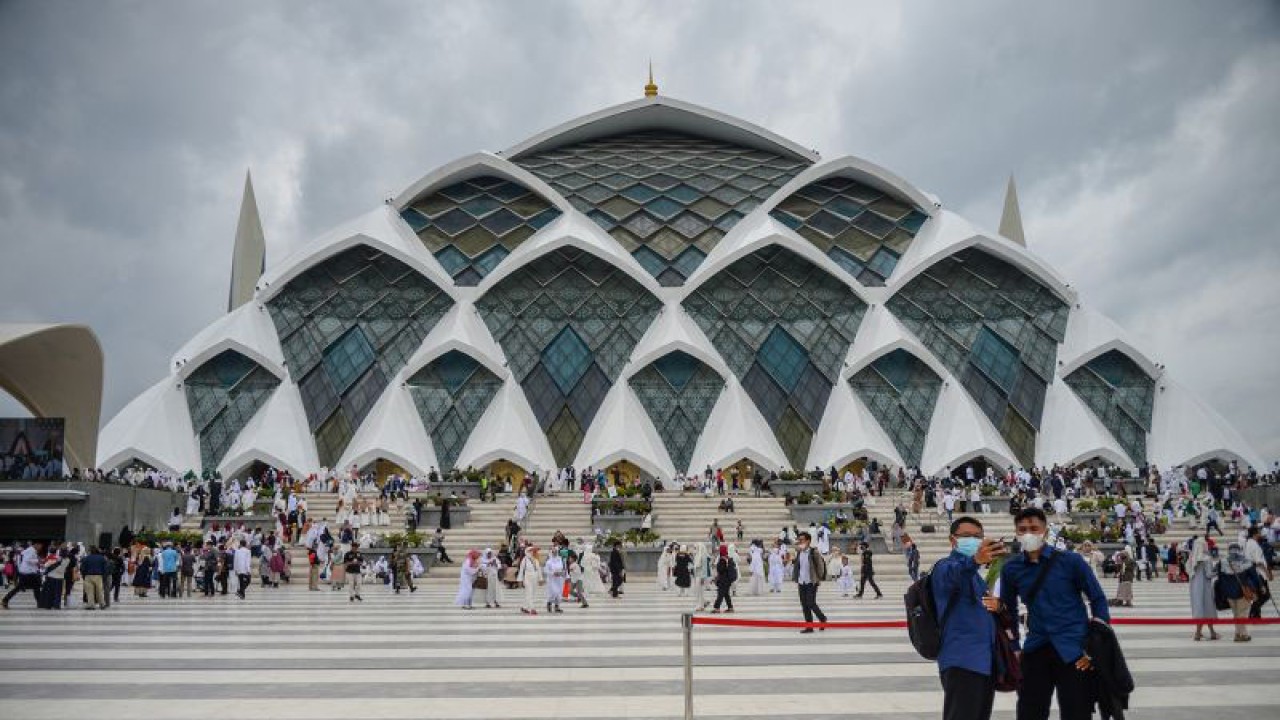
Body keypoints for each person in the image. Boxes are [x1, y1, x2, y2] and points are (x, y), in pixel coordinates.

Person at [1000, 508, 1110, 720]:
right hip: (1036, 647)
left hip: (1075, 650)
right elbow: (1008, 611)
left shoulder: (1071, 561)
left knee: (1077, 711)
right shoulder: (1011, 568)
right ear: (1016, 533)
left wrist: (1095, 643)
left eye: (1034, 528)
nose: (1028, 533)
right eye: (1022, 529)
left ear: (1045, 530)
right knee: (1029, 711)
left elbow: (1097, 598)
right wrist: (1013, 647)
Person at [933, 516, 1008, 720]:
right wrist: (975, 560)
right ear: (953, 540)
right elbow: (956, 574)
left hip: (984, 662)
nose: (973, 540)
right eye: (966, 536)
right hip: (962, 661)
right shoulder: (944, 567)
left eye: (978, 536)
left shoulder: (976, 576)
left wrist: (999, 606)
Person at [1218, 542, 1263, 642]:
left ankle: (1237, 634)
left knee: (1236, 614)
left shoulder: (1223, 562)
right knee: (1242, 614)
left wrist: (1224, 592)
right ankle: (1244, 634)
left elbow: (1220, 579)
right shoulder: (1246, 561)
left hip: (1230, 594)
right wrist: (1260, 587)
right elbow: (1254, 577)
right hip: (1244, 592)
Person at [792, 531, 827, 633]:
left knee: (811, 603)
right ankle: (809, 626)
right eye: (799, 540)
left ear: (808, 541)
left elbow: (820, 566)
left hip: (811, 581)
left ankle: (822, 618)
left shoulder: (813, 552)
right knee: (804, 604)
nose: (799, 541)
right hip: (801, 581)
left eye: (802, 540)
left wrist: (818, 579)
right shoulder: (799, 552)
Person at [1187, 535, 1220, 640]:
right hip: (1205, 587)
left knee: (1199, 609)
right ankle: (1201, 633)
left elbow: (1189, 572)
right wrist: (1217, 570)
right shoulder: (1206, 558)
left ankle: (1208, 632)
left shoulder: (1191, 558)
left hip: (1194, 588)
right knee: (1207, 609)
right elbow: (1209, 574)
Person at [2, 541, 43, 608]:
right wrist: (38, 561)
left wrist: (37, 563)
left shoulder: (30, 550)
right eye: (40, 546)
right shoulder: (31, 550)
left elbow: (23, 555)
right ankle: (5, 600)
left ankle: (40, 603)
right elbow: (27, 560)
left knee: (37, 587)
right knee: (19, 588)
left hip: (29, 572)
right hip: (27, 573)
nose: (40, 548)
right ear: (36, 544)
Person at [79, 546, 108, 610]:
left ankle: (91, 605)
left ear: (90, 551)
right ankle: (102, 604)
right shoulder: (102, 558)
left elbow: (82, 568)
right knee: (99, 591)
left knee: (89, 591)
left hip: (88, 576)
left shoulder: (86, 558)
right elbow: (105, 569)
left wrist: (84, 576)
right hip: (98, 576)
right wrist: (104, 577)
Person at [711, 544, 736, 613]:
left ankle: (717, 608)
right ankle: (730, 607)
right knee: (726, 594)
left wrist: (717, 566)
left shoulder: (722, 559)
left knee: (720, 594)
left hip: (723, 580)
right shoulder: (727, 558)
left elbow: (721, 570)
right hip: (727, 580)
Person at [517, 547, 541, 615]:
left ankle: (524, 607)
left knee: (532, 593)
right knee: (529, 592)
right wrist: (520, 580)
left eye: (532, 551)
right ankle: (532, 609)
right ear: (527, 552)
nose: (532, 552)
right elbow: (521, 570)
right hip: (527, 578)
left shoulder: (535, 560)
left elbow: (538, 569)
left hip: (535, 578)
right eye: (530, 551)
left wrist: (540, 579)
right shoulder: (524, 560)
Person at [544, 548, 566, 614]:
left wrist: (563, 574)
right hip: (552, 580)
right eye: (553, 552)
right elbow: (546, 571)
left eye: (556, 552)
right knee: (553, 592)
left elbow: (564, 569)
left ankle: (557, 607)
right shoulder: (549, 561)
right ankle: (549, 603)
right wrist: (553, 573)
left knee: (559, 593)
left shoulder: (561, 560)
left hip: (559, 580)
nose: (555, 553)